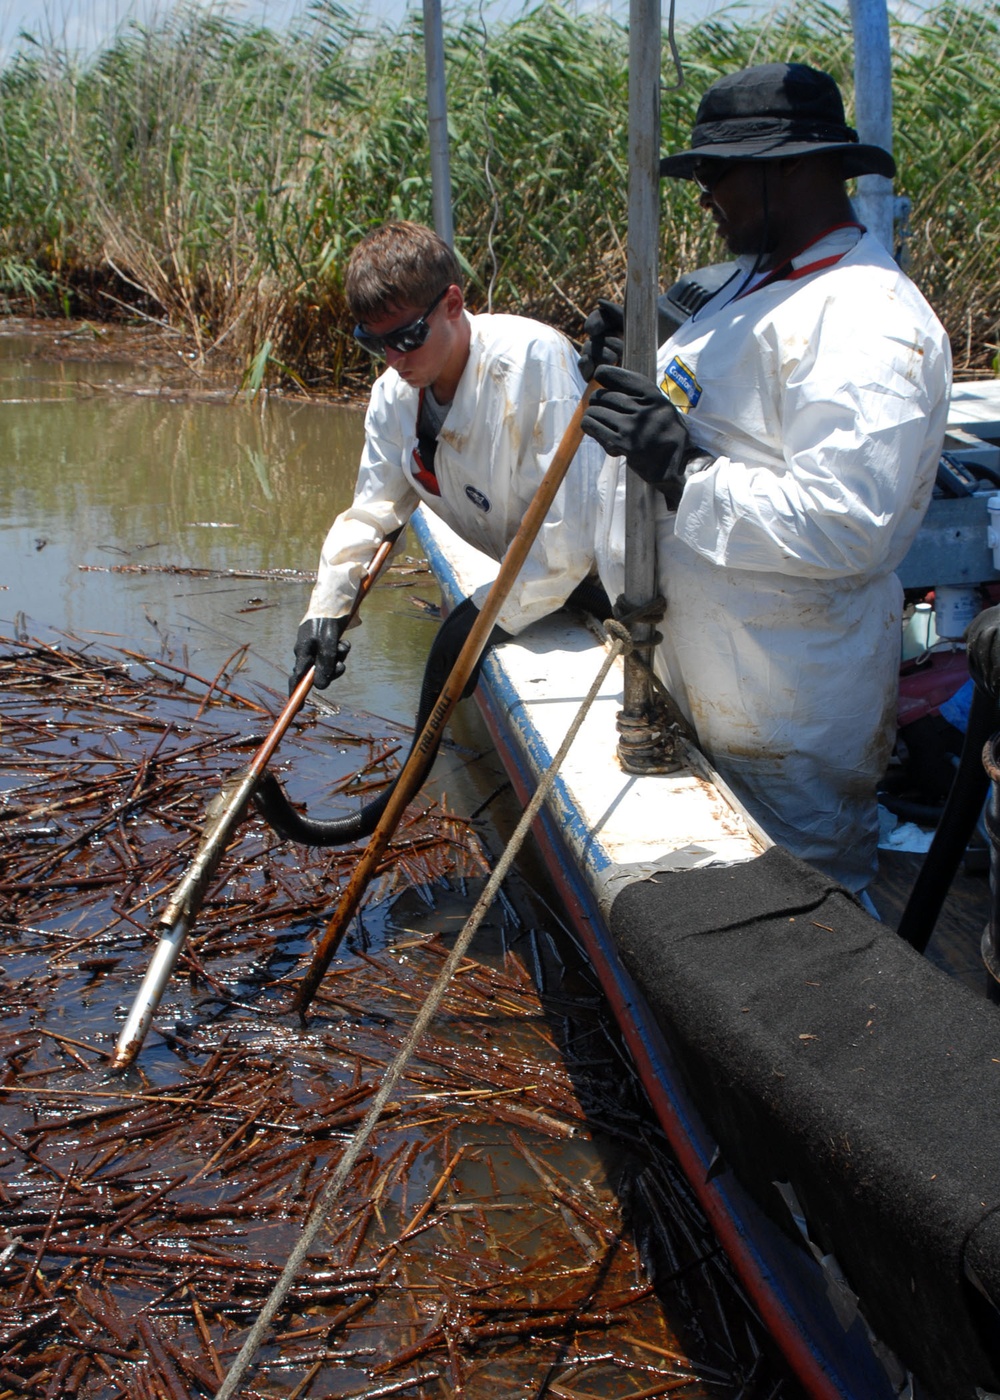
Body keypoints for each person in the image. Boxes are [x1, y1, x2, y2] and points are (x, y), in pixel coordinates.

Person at [581, 62, 953, 892]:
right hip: (708, 683)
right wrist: (634, 358)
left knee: (807, 917)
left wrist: (681, 466)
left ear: (791, 168)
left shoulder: (867, 318)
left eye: (717, 174)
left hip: (788, 711)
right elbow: (710, 405)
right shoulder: (755, 283)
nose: (704, 196)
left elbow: (849, 526)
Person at [290, 220, 610, 700]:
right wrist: (328, 606)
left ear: (453, 305)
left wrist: (479, 620)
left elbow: (569, 543)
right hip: (525, 566)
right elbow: (375, 509)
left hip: (604, 578)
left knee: (446, 655)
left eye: (407, 338)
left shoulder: (532, 363)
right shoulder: (392, 396)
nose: (394, 360)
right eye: (374, 343)